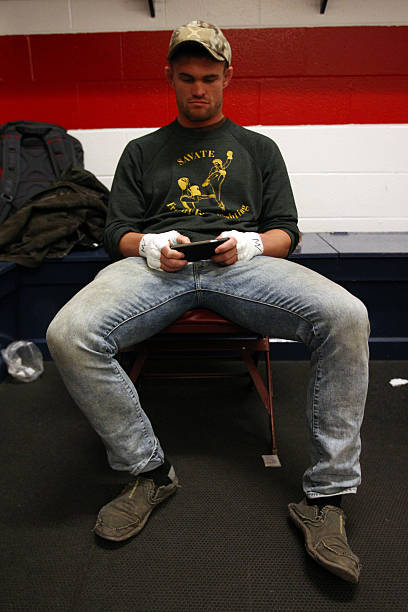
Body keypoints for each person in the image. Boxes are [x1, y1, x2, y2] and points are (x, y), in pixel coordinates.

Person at [47, 20, 369, 584]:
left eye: (210, 78)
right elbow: (115, 232)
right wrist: (148, 245)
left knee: (347, 315)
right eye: (188, 78)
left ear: (227, 78)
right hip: (157, 269)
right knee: (68, 334)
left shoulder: (258, 149)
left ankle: (327, 496)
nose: (199, 89)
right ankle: (149, 472)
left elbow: (286, 231)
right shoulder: (142, 151)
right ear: (170, 77)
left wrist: (253, 243)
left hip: (241, 266)